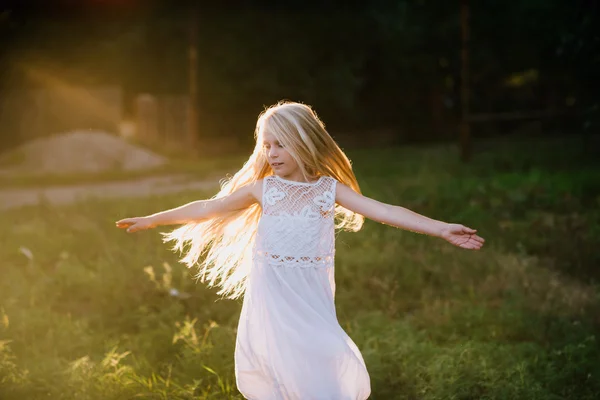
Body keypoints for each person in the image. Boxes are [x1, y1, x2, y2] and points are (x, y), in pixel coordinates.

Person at [115, 100, 485, 399]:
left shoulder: (328, 191)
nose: (272, 154)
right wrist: (153, 219)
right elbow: (206, 208)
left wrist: (441, 229)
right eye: (267, 146)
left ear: (305, 143)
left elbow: (385, 211)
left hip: (311, 301)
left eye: (281, 145)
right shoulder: (263, 189)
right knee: (281, 370)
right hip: (271, 301)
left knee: (321, 365)